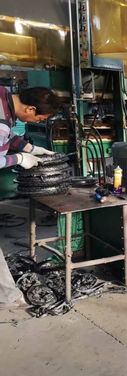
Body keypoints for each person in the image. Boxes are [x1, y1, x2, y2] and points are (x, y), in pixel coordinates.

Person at [0, 86, 60, 306]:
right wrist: (19, 159)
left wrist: (31, 149)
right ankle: (7, 296)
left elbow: (9, 137)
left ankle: (7, 294)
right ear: (31, 108)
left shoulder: (5, 98)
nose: (37, 121)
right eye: (39, 118)